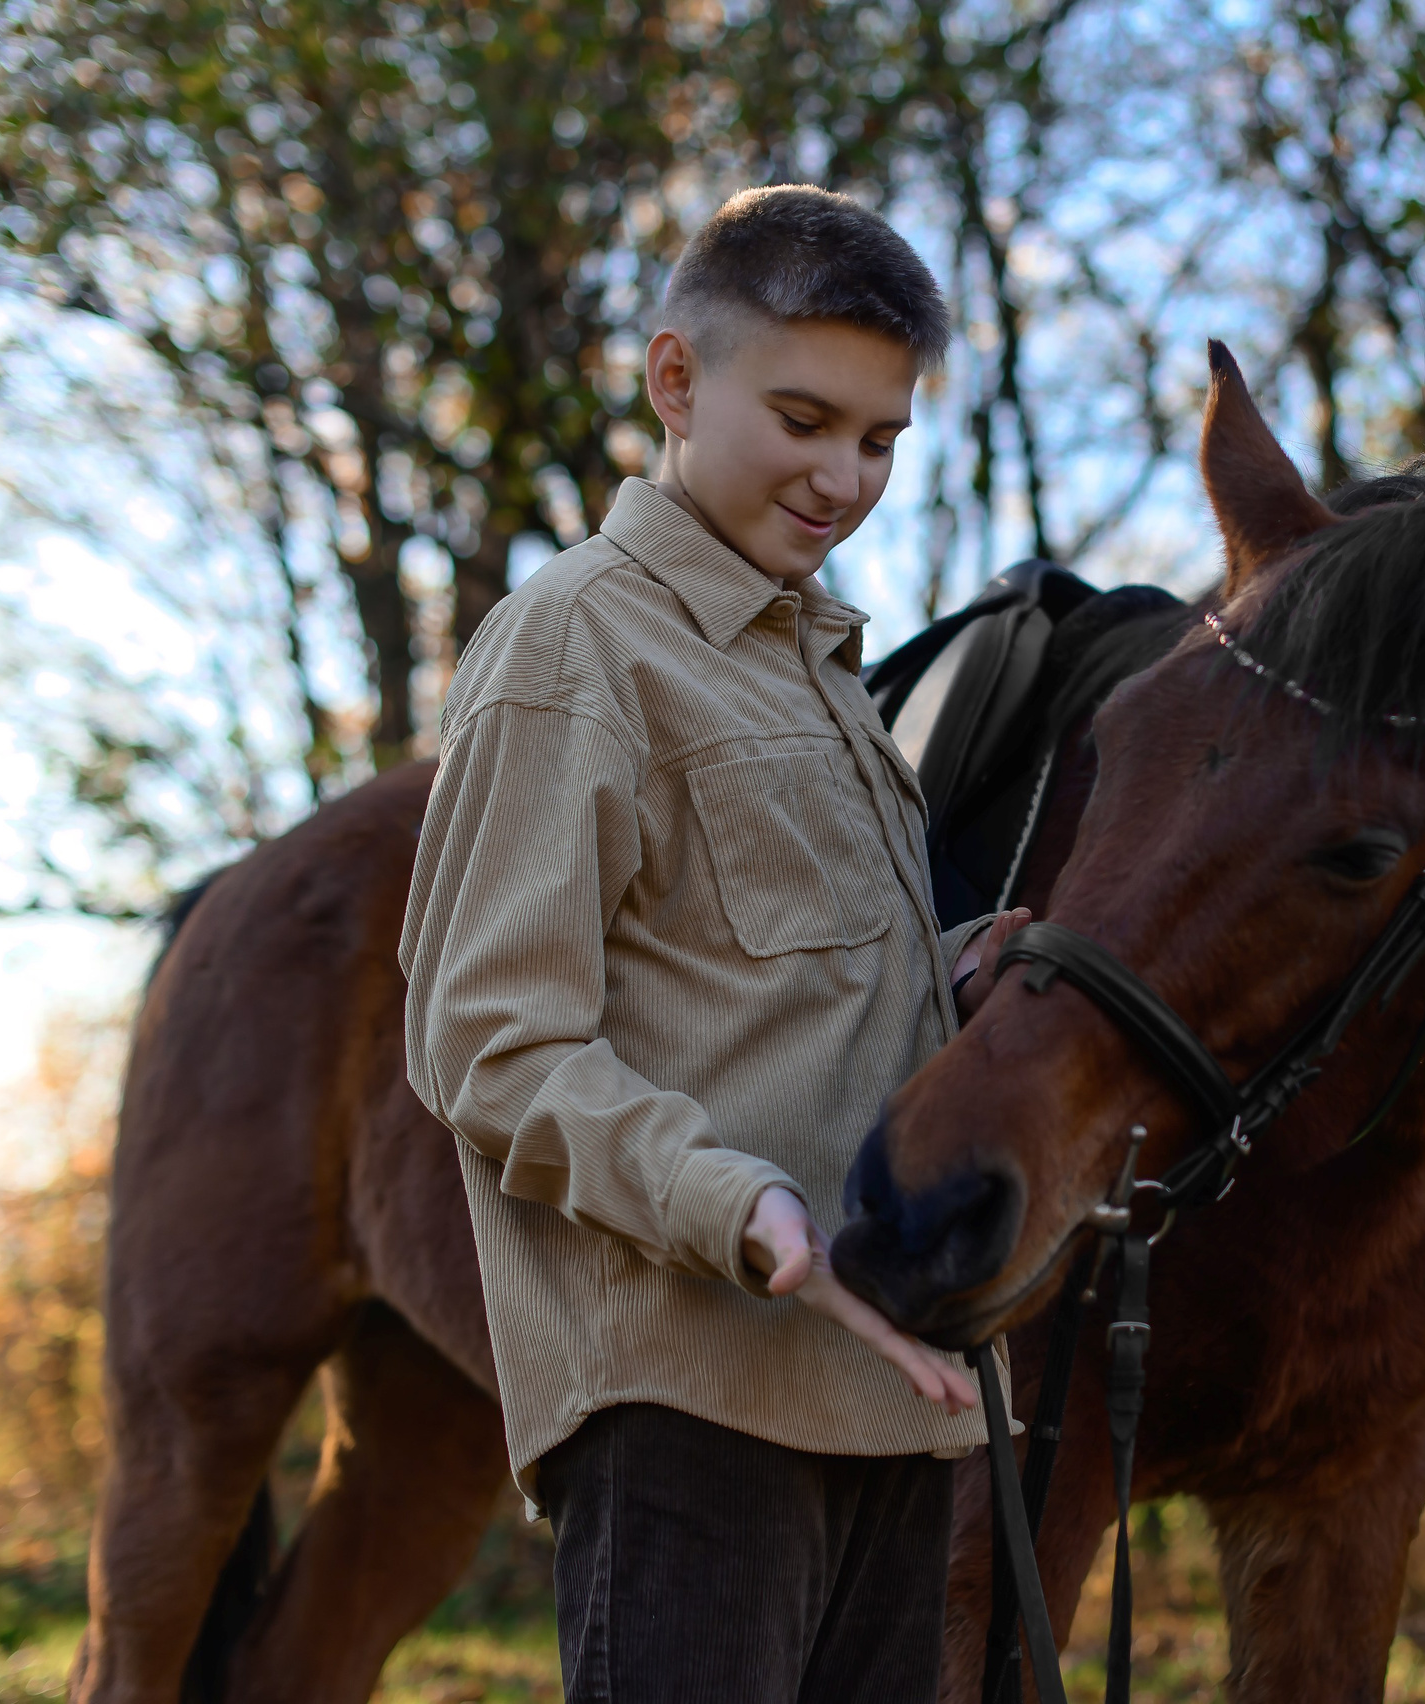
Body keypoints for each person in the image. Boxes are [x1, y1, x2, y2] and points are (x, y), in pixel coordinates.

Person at [398, 184, 1027, 1703]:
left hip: (891, 1393)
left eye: (879, 441)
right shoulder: (577, 646)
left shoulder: (820, 669)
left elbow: (770, 987)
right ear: (677, 381)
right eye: (804, 418)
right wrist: (722, 1196)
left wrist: (957, 978)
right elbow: (484, 1039)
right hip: (694, 1410)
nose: (842, 479)